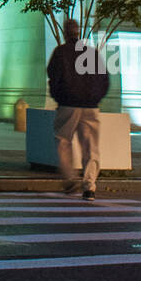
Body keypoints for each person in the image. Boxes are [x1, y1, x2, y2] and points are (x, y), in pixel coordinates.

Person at [47, 17, 108, 201]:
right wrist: (95, 98)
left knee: (63, 141)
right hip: (90, 106)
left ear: (66, 33)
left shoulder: (60, 52)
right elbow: (104, 79)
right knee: (91, 147)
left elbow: (53, 76)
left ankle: (69, 178)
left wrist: (59, 96)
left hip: (68, 105)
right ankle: (89, 186)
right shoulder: (91, 53)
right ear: (78, 32)